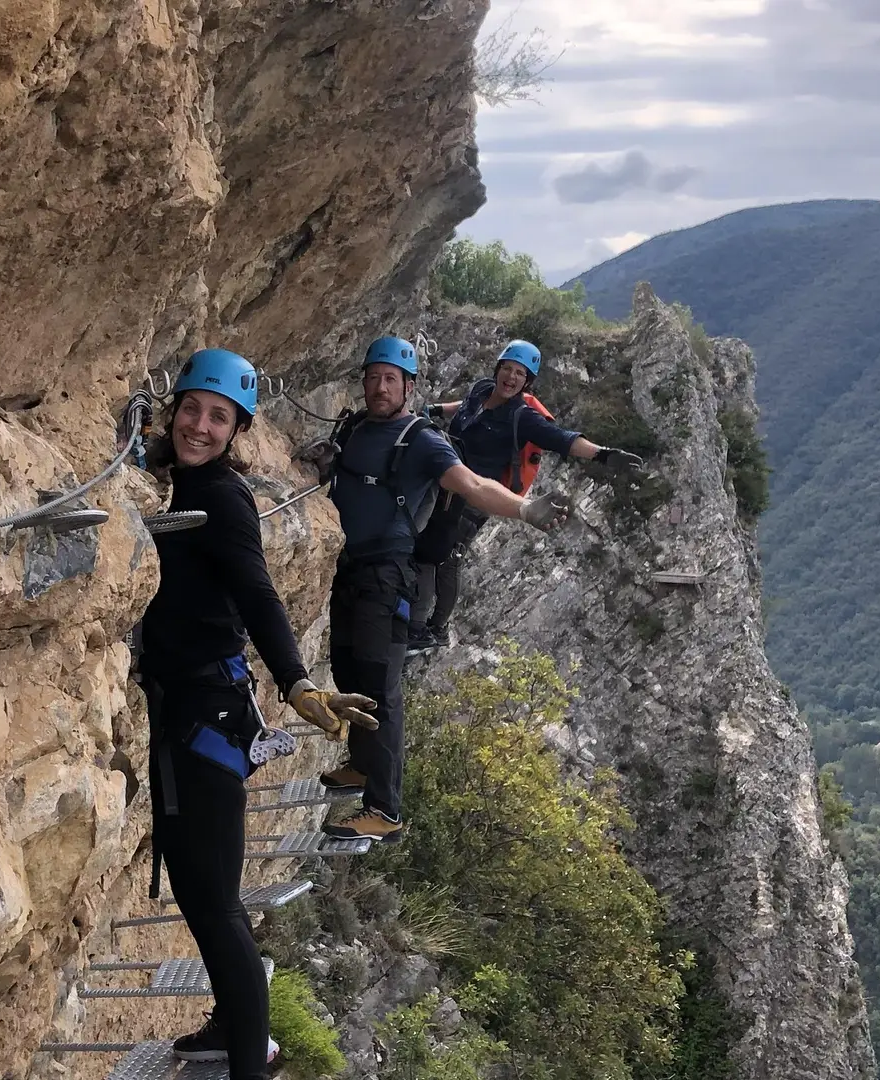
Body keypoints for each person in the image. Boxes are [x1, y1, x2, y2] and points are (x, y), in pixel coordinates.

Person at [136, 347, 378, 1076]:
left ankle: (251, 1062)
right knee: (203, 892)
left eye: (219, 417)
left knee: (214, 904)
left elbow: (258, 593)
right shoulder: (177, 481)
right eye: (193, 410)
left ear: (237, 428)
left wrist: (299, 683)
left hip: (205, 715)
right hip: (190, 711)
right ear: (173, 408)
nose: (201, 427)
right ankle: (233, 1029)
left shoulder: (223, 498)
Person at [314, 336, 571, 843]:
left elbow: (474, 485)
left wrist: (524, 508)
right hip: (348, 570)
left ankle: (383, 812)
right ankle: (362, 768)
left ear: (409, 387)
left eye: (391, 379)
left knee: (381, 692)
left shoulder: (422, 439)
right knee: (348, 670)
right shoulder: (356, 427)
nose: (380, 386)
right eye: (373, 377)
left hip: (387, 576)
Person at [407, 339, 644, 654]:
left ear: (527, 382)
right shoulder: (481, 389)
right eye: (507, 368)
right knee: (428, 547)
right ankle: (420, 617)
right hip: (448, 485)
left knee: (448, 559)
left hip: (478, 499)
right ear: (498, 369)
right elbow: (465, 405)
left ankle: (434, 629)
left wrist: (602, 455)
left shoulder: (522, 416)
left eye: (520, 373)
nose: (511, 377)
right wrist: (435, 409)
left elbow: (562, 439)